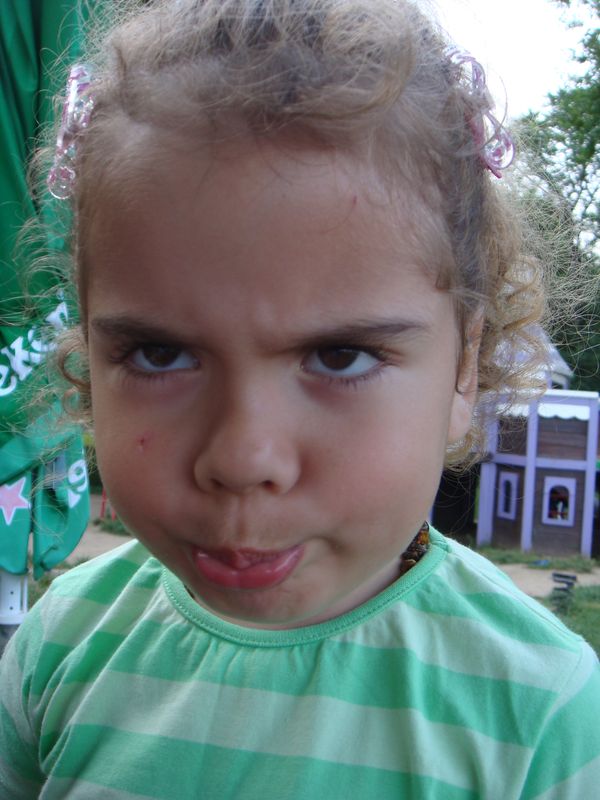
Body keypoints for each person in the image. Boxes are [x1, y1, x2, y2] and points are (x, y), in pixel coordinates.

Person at [1, 0, 599, 796]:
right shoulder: (59, 646)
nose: (242, 459)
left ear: (465, 368)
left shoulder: (542, 713)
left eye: (339, 356)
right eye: (158, 353)